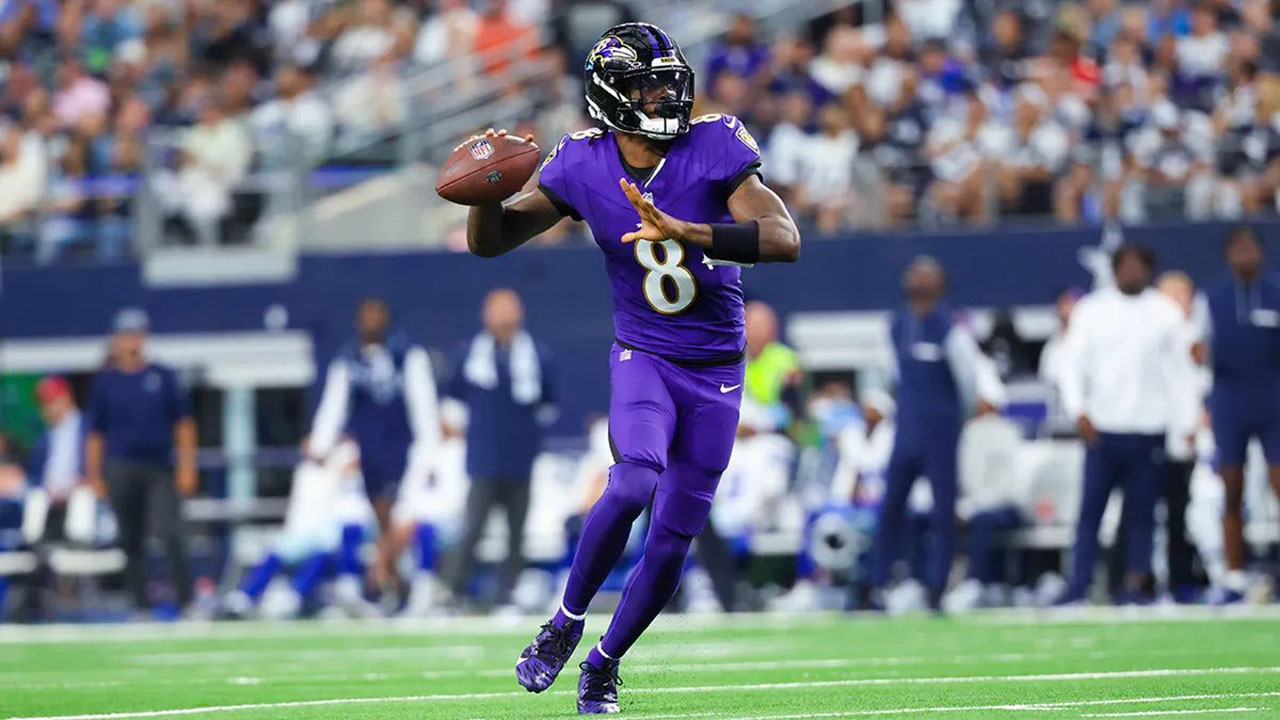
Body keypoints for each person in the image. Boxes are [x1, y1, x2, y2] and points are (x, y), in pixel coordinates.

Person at [448, 22, 800, 714]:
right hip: (645, 355)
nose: (665, 93)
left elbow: (784, 239)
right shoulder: (582, 162)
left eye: (668, 80)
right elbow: (494, 244)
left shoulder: (716, 143)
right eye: (647, 84)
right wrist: (484, 192)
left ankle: (604, 665)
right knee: (633, 477)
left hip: (719, 371)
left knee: (672, 540)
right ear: (611, 96)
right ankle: (564, 624)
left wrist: (688, 230)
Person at [1056, 244, 1200, 604]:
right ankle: (1080, 583)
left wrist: (1187, 422)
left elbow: (1181, 372)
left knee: (1142, 515)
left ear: (1149, 270)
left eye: (1140, 266)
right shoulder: (1092, 310)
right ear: (1116, 269)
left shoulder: (1165, 313)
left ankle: (1135, 584)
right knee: (1090, 512)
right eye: (1126, 265)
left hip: (1148, 427)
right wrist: (1079, 411)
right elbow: (1069, 363)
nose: (1132, 272)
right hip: (1103, 428)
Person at [861, 256, 1005, 612]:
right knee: (891, 507)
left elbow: (968, 378)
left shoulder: (950, 327)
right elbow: (888, 375)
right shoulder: (896, 324)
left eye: (924, 275)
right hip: (907, 429)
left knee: (943, 511)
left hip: (941, 429)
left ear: (939, 284)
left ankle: (938, 586)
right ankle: (878, 584)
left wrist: (955, 416)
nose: (916, 279)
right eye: (913, 274)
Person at [308, 297, 441, 610]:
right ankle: (394, 584)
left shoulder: (406, 355)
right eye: (366, 315)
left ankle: (391, 583)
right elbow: (334, 404)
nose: (372, 320)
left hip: (403, 448)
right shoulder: (348, 360)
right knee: (381, 521)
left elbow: (424, 404)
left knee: (400, 519)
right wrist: (320, 444)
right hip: (369, 450)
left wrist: (430, 448)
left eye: (378, 314)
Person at [441, 289, 556, 610]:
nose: (504, 318)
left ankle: (509, 594)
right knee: (472, 529)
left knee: (516, 533)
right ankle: (453, 592)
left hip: (521, 457)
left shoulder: (537, 355)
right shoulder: (469, 354)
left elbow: (548, 404)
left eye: (509, 310)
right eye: (498, 310)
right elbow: (453, 403)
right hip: (483, 459)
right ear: (486, 315)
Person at [84, 309, 197, 615]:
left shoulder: (163, 376)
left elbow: (184, 425)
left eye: (136, 334)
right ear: (116, 340)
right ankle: (140, 605)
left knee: (171, 531)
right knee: (130, 537)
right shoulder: (106, 382)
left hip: (159, 467)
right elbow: (96, 433)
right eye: (125, 335)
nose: (131, 341)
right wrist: (94, 474)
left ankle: (187, 602)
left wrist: (187, 466)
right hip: (121, 466)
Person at [1203, 226, 1280, 603]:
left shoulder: (1277, 292)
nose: (1244, 255)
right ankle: (1234, 576)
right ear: (1227, 255)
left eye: (1250, 248)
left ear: (1261, 253)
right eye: (1237, 249)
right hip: (1230, 401)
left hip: (1273, 399)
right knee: (1231, 487)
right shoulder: (1213, 298)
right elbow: (1200, 353)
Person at [1156, 270, 1208, 601]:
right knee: (1165, 511)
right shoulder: (1153, 335)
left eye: (1183, 294)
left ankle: (1198, 575)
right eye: (1171, 294)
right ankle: (1157, 578)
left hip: (1204, 435)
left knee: (1200, 509)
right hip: (1162, 434)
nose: (1179, 301)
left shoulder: (1201, 333)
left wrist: (1202, 417)